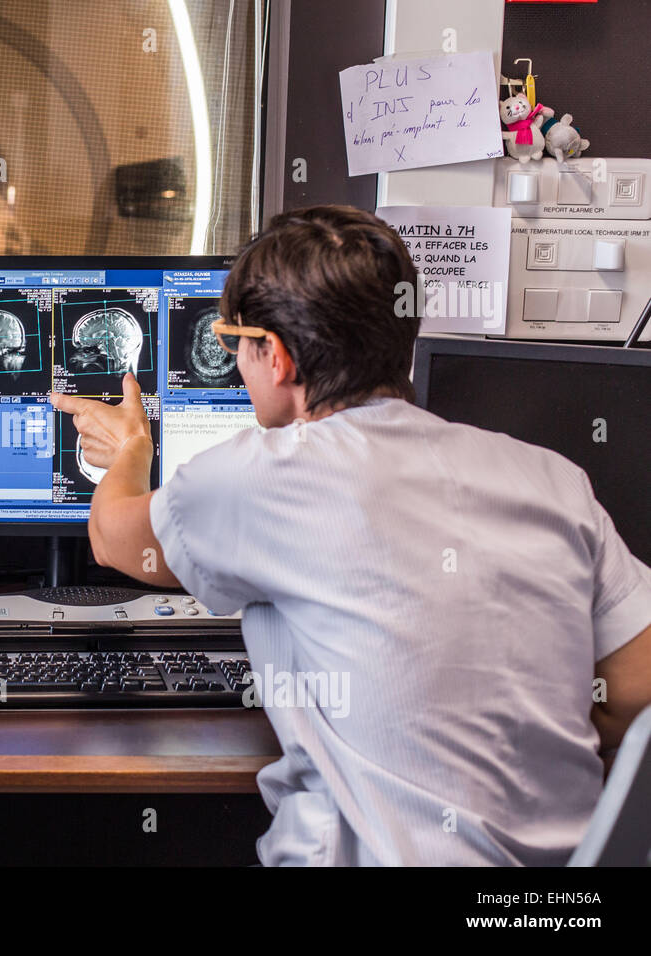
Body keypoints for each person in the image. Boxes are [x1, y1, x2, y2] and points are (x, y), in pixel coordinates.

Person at [52, 205, 651, 866]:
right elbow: (632, 692)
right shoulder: (553, 479)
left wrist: (132, 450)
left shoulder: (264, 474)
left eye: (233, 343)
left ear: (274, 357)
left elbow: (116, 539)